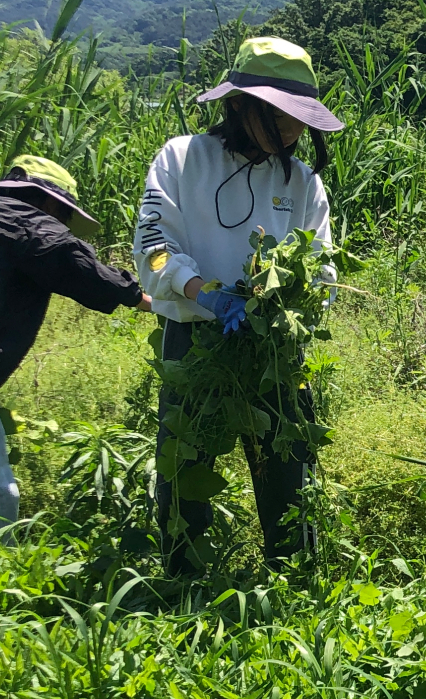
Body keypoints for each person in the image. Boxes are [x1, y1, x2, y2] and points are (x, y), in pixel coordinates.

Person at [131, 36, 342, 573]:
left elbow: (322, 264)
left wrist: (295, 301)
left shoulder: (301, 182)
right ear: (239, 104)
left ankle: (293, 573)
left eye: (299, 116)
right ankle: (184, 577)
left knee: (288, 466)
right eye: (279, 114)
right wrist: (203, 291)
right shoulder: (183, 158)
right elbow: (153, 250)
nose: (292, 129)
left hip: (274, 346)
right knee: (186, 467)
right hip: (197, 339)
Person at [0, 157, 150, 525]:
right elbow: (76, 265)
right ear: (48, 202)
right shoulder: (26, 219)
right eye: (62, 217)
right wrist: (149, 300)